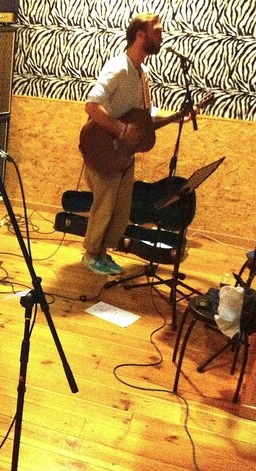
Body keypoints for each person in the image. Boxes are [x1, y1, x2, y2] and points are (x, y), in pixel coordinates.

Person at [81, 13, 164, 276]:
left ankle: (103, 253)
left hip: (123, 153)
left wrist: (177, 116)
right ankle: (91, 254)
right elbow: (91, 106)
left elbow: (140, 117)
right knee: (104, 206)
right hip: (104, 148)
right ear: (140, 35)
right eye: (157, 31)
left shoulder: (142, 72)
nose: (161, 36)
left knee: (120, 209)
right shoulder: (118, 68)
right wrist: (120, 130)